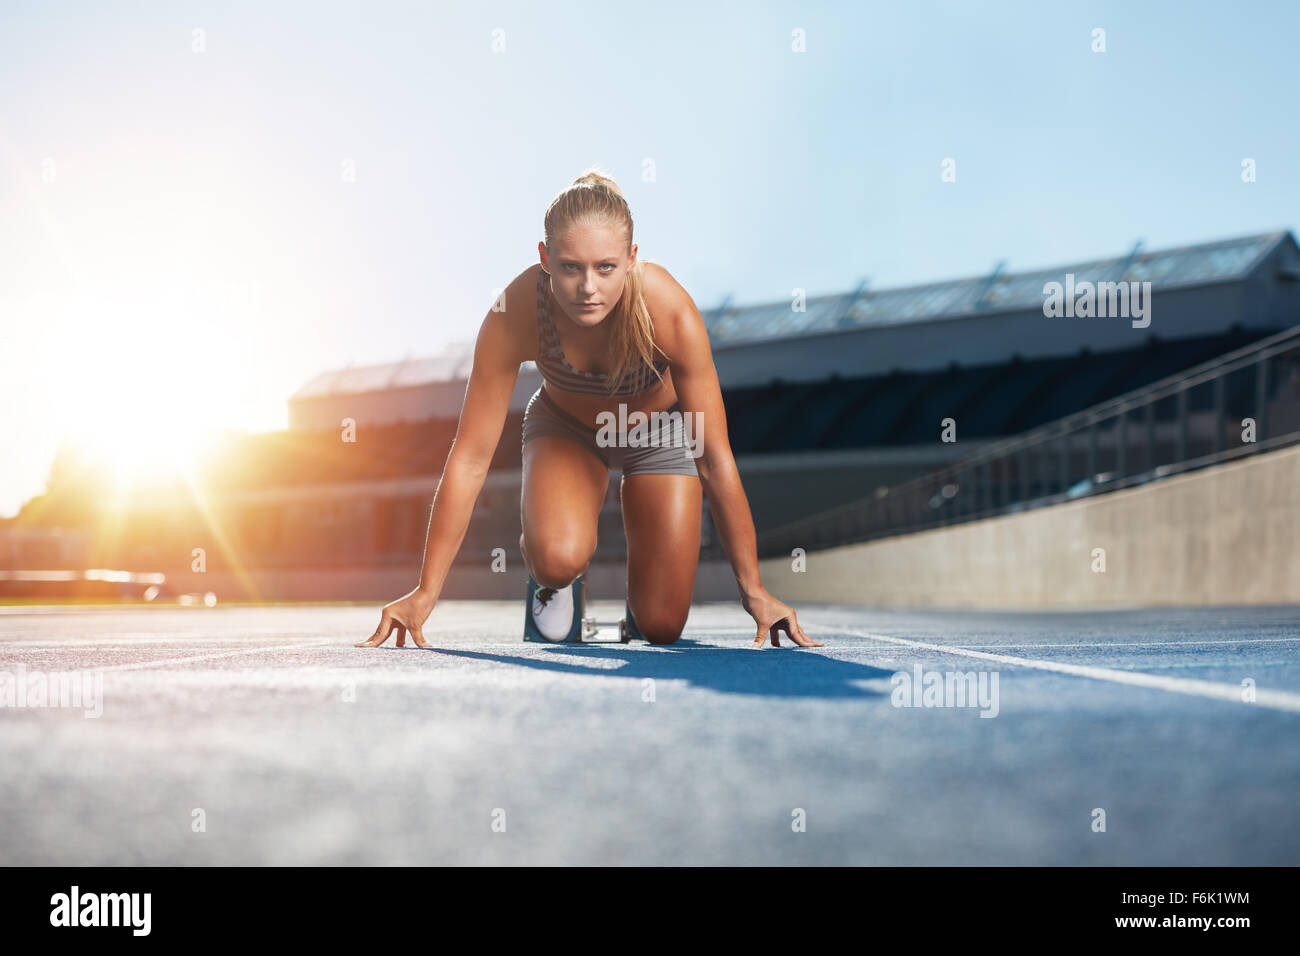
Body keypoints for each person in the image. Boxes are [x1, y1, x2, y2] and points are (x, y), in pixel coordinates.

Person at [357, 168, 821, 649]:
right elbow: (471, 457)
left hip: (656, 431)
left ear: (632, 259)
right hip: (568, 429)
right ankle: (549, 570)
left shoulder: (671, 312)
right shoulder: (513, 313)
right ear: (545, 259)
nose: (588, 288)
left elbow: (715, 458)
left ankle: (637, 604)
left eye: (605, 267)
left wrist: (754, 590)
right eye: (570, 267)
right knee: (557, 557)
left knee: (662, 627)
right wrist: (426, 591)